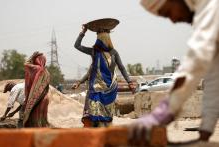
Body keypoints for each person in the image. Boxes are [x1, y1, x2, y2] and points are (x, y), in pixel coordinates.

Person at [129, 0, 219, 144]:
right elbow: (214, 77)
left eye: (168, 13)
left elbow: (196, 60)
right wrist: (205, 134)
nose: (173, 20)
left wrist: (167, 109)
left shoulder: (211, 6)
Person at [74, 24, 135, 127]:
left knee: (107, 117)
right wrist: (83, 32)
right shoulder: (94, 52)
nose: (98, 40)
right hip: (95, 90)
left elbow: (122, 68)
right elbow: (77, 46)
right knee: (94, 116)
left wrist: (130, 82)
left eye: (100, 38)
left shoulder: (114, 53)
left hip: (110, 89)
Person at [21, 52, 50, 127]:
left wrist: (32, 56)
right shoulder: (46, 72)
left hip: (37, 100)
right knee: (42, 120)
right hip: (45, 98)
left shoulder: (36, 69)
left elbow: (26, 64)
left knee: (34, 120)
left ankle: (35, 136)